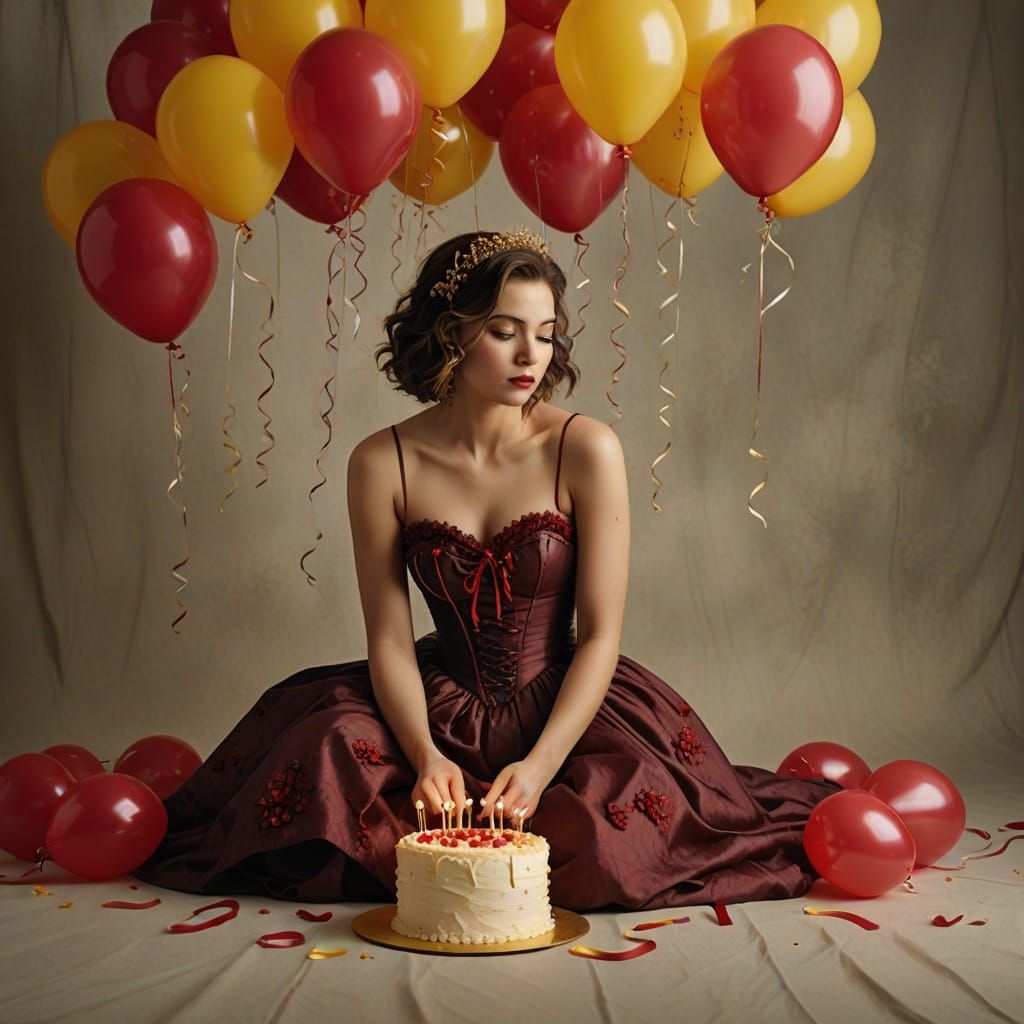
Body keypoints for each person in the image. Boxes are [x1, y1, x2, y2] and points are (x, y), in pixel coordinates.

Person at [135, 229, 841, 910]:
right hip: (437, 703)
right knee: (323, 767)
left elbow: (599, 636)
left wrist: (539, 768)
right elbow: (387, 638)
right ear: (451, 332)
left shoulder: (585, 448)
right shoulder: (383, 461)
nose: (531, 353)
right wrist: (424, 754)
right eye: (505, 330)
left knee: (606, 837)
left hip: (565, 700)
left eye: (546, 331)